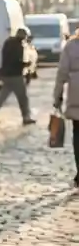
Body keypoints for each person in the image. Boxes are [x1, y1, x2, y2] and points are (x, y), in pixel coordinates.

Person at [0, 28, 35, 125]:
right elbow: (16, 61)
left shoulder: (8, 42)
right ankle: (26, 117)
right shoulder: (18, 46)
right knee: (22, 97)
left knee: (3, 95)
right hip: (15, 75)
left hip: (5, 73)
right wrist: (25, 64)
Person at [52, 28, 79, 189]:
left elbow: (62, 73)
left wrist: (57, 96)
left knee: (78, 134)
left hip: (76, 93)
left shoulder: (71, 46)